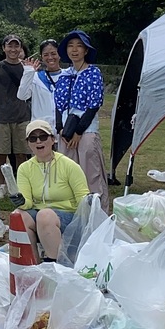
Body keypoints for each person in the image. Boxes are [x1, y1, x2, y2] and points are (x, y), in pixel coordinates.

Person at [14, 119, 91, 263]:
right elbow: (28, 203)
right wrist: (21, 201)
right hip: (41, 213)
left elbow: (83, 198)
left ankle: (55, 265)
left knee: (45, 216)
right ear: (28, 143)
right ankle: (32, 265)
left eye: (43, 137)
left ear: (52, 140)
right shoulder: (24, 168)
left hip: (70, 216)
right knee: (18, 216)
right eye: (33, 138)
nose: (38, 141)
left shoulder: (69, 165)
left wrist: (90, 204)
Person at [53, 30, 109, 210]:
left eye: (79, 46)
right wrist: (60, 129)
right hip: (66, 131)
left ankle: (98, 214)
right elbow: (58, 104)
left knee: (91, 174)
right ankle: (73, 213)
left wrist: (78, 132)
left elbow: (93, 105)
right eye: (70, 46)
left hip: (86, 130)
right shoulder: (64, 75)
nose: (74, 50)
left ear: (86, 50)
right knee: (67, 174)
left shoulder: (93, 73)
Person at [0, 34, 32, 180]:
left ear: (21, 48)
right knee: (1, 154)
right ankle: (1, 185)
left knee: (22, 153)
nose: (13, 49)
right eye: (9, 46)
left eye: (16, 45)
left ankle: (22, 183)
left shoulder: (27, 68)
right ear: (3, 48)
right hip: (1, 116)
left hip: (22, 116)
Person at [17, 39, 64, 133]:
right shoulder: (36, 77)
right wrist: (28, 72)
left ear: (60, 54)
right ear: (41, 57)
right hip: (41, 130)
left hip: (64, 129)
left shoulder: (68, 76)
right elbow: (22, 96)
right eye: (46, 55)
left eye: (53, 53)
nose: (50, 57)